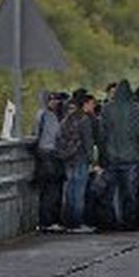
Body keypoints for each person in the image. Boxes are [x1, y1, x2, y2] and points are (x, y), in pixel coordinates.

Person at [98, 80, 139, 230]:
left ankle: (109, 221)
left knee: (109, 192)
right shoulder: (136, 108)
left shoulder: (107, 108)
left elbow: (102, 133)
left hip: (111, 156)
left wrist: (102, 155)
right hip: (132, 157)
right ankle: (129, 221)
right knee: (130, 192)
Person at [55, 90, 98, 232]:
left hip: (68, 158)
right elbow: (88, 142)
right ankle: (77, 223)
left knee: (70, 191)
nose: (93, 106)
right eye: (91, 104)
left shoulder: (67, 119)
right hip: (80, 158)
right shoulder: (85, 120)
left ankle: (68, 222)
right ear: (85, 104)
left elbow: (59, 137)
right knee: (79, 191)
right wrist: (93, 161)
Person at [31, 91, 65, 231]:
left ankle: (47, 221)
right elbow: (43, 134)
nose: (55, 102)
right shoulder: (46, 115)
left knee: (49, 189)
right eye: (53, 100)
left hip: (48, 153)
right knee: (50, 189)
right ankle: (47, 221)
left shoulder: (48, 115)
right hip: (48, 154)